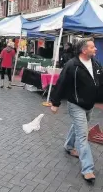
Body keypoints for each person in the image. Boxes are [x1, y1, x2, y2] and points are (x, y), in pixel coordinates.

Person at [50, 38, 101, 183]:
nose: (95, 49)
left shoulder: (96, 64)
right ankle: (88, 169)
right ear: (84, 50)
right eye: (92, 47)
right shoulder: (72, 65)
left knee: (79, 127)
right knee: (83, 135)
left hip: (89, 105)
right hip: (76, 104)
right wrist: (55, 102)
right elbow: (61, 83)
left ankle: (68, 145)